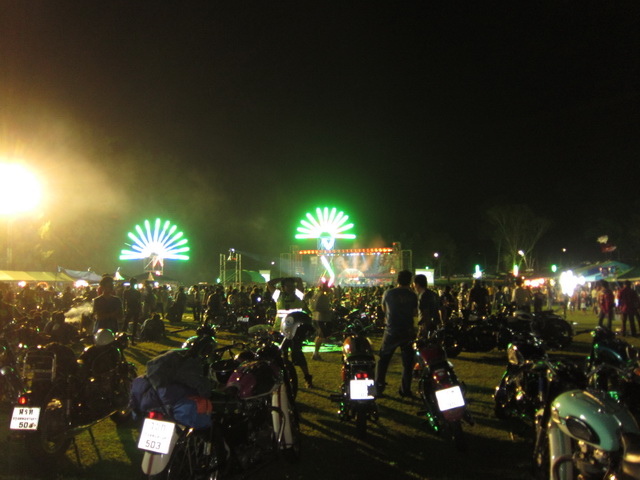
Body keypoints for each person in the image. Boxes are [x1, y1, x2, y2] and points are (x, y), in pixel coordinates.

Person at [375, 270, 418, 398]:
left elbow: (384, 308)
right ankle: (405, 389)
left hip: (391, 330)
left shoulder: (388, 293)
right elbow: (415, 312)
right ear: (410, 281)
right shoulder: (412, 295)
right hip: (407, 331)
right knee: (408, 362)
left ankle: (379, 387)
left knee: (383, 360)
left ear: (397, 280)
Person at [267, 276, 314, 388]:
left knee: (297, 354)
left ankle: (307, 377)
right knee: (281, 355)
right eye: (288, 286)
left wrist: (293, 279)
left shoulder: (298, 295)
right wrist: (282, 278)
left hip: (295, 331)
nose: (291, 288)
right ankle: (282, 378)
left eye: (292, 286)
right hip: (279, 330)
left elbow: (299, 281)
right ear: (283, 287)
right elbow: (269, 283)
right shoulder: (278, 295)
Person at [310, 281, 334, 361]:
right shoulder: (322, 296)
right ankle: (316, 353)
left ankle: (315, 353)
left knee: (319, 335)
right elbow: (319, 307)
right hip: (320, 318)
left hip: (316, 317)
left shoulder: (317, 295)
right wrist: (327, 311)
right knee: (320, 336)